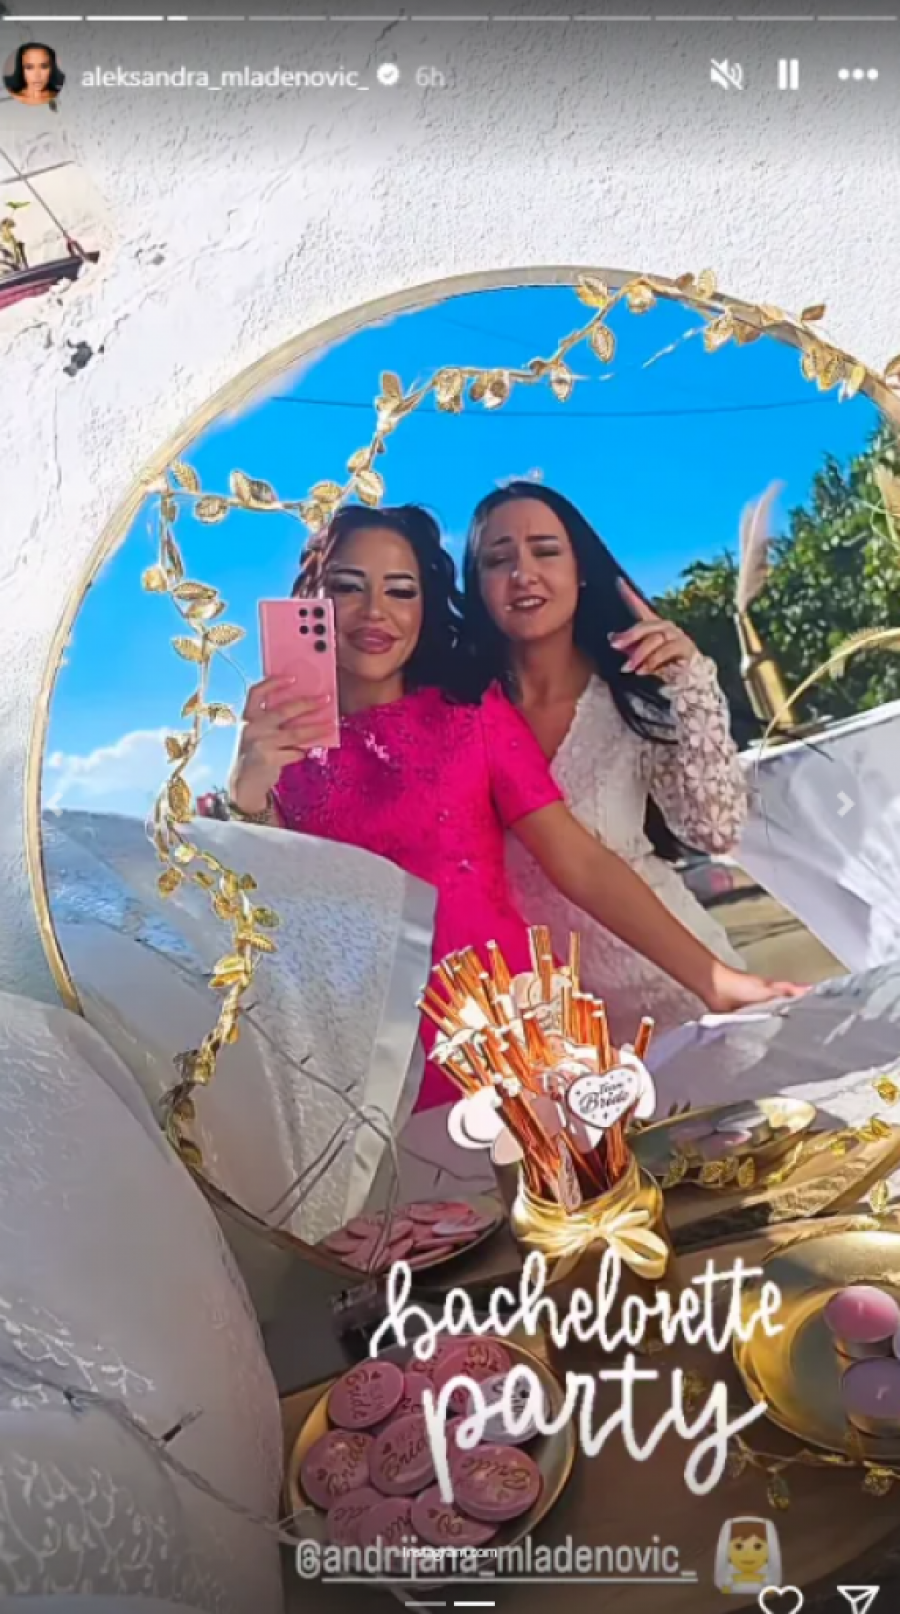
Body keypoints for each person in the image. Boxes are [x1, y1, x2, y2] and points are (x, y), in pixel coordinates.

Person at [227, 504, 803, 1113]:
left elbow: (579, 860)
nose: (375, 611)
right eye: (348, 587)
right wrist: (247, 796)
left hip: (521, 1035)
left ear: (425, 606)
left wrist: (716, 980)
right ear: (309, 603)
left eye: (401, 590)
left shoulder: (469, 714)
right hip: (372, 1065)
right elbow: (280, 920)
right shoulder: (280, 753)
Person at [461, 481, 753, 1042]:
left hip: (678, 994)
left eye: (546, 551)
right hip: (556, 1033)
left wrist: (692, 684)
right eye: (498, 560)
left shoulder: (634, 697)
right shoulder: (459, 716)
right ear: (477, 585)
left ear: (581, 570)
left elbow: (714, 830)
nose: (523, 574)